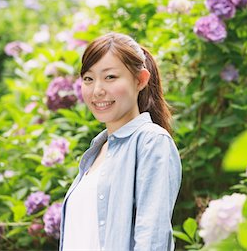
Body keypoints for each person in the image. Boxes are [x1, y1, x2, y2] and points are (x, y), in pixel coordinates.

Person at [59, 32, 182, 251]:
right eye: (88, 78)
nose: (97, 90)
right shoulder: (95, 152)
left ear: (140, 80)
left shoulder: (151, 143)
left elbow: (152, 241)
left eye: (110, 77)